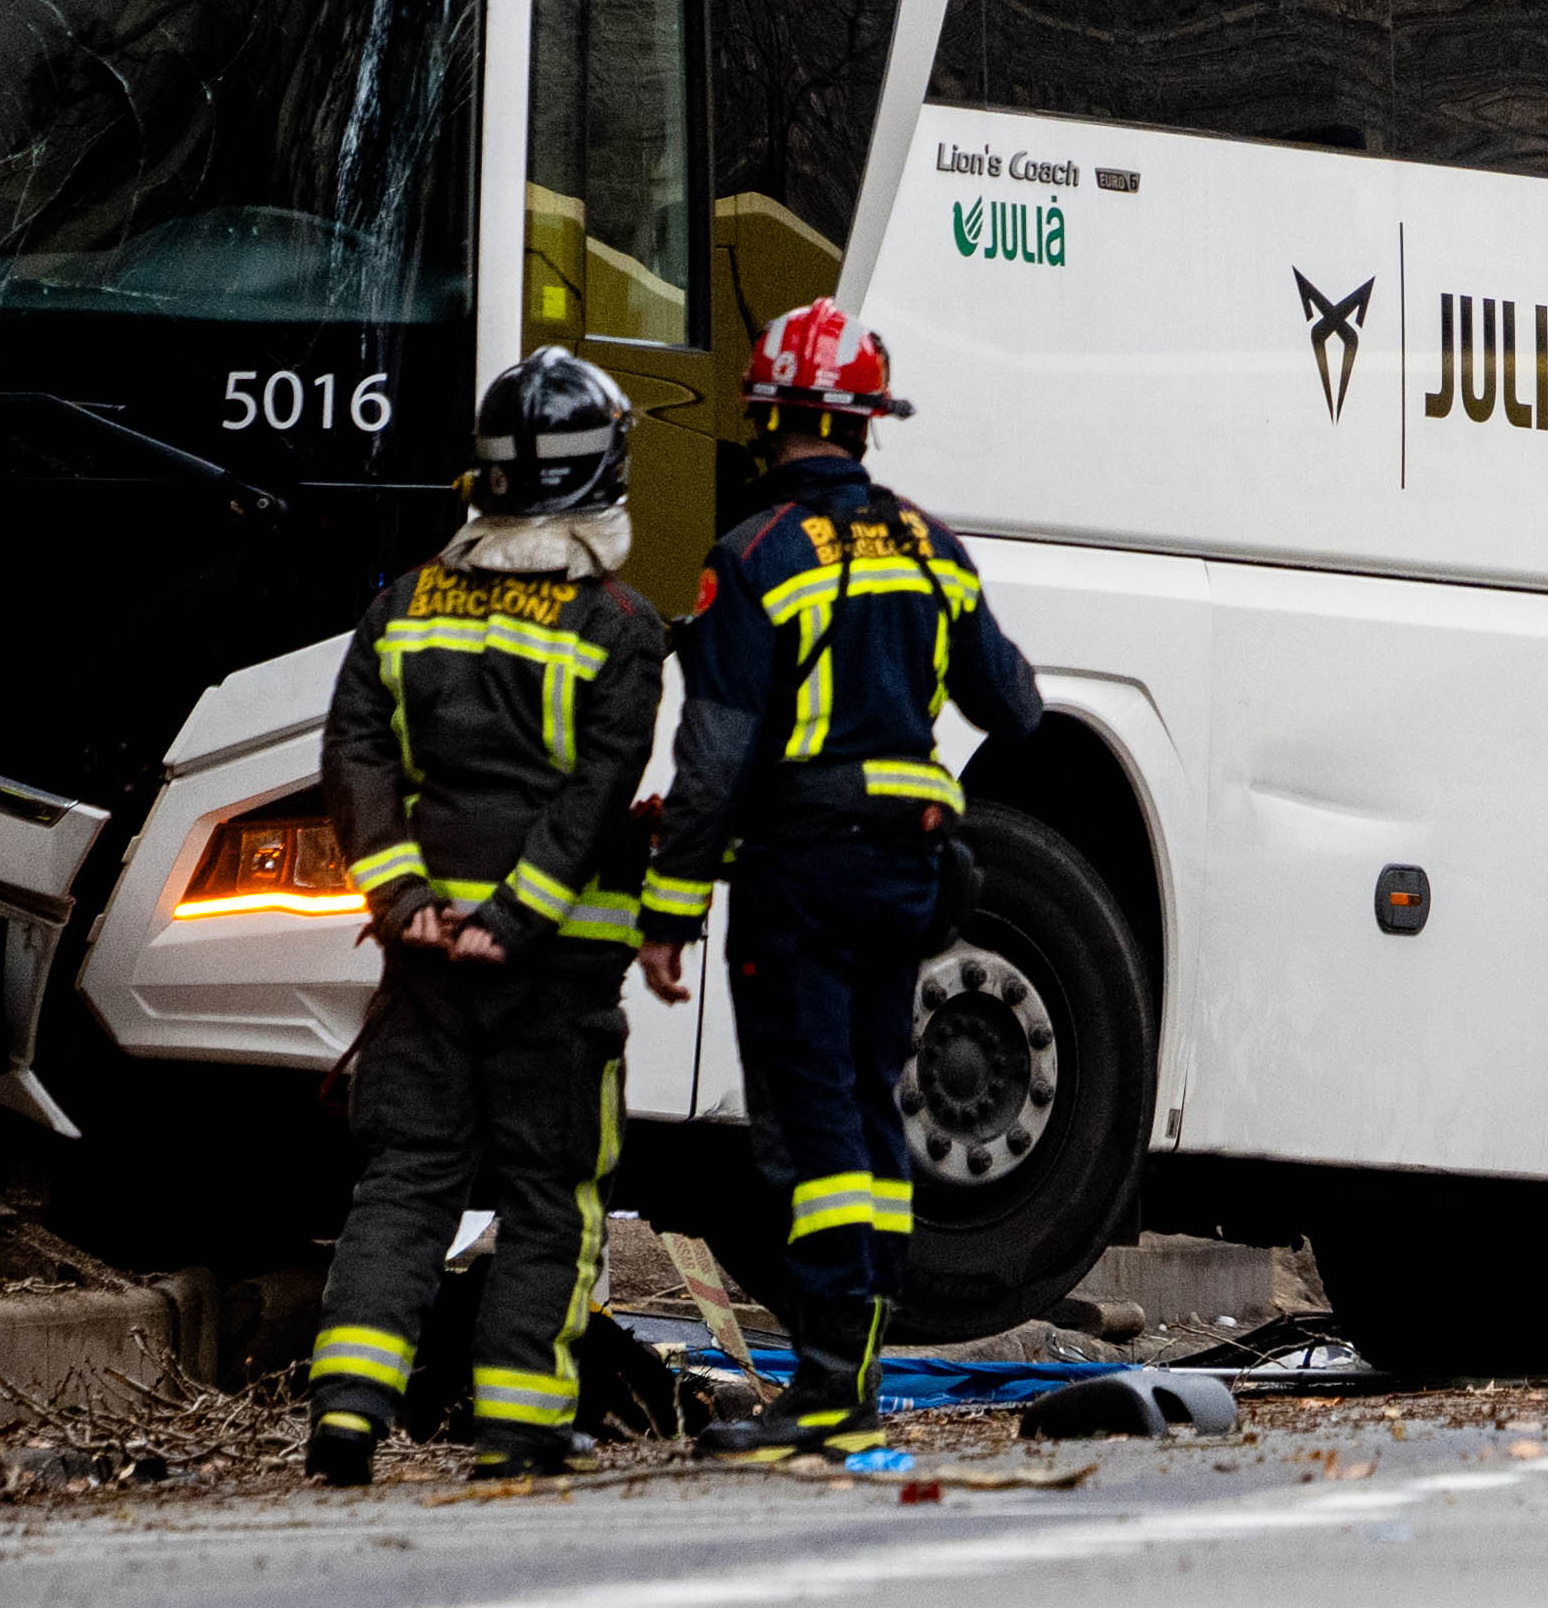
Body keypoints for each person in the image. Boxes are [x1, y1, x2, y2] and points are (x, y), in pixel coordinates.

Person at [637, 299, 1041, 1453]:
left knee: (812, 1125)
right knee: (871, 1109)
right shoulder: (929, 547)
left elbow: (711, 761)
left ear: (765, 420)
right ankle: (847, 1378)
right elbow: (1014, 708)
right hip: (906, 875)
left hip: (799, 877)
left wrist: (667, 911)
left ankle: (824, 1393)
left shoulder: (752, 558)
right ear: (867, 424)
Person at [305, 347, 666, 1487]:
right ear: (601, 474)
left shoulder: (402, 603)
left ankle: (349, 1416)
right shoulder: (618, 625)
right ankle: (518, 1430)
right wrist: (513, 920)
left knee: (404, 1184)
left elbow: (352, 757)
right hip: (550, 978)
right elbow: (591, 796)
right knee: (548, 1196)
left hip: (418, 969)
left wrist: (403, 898)